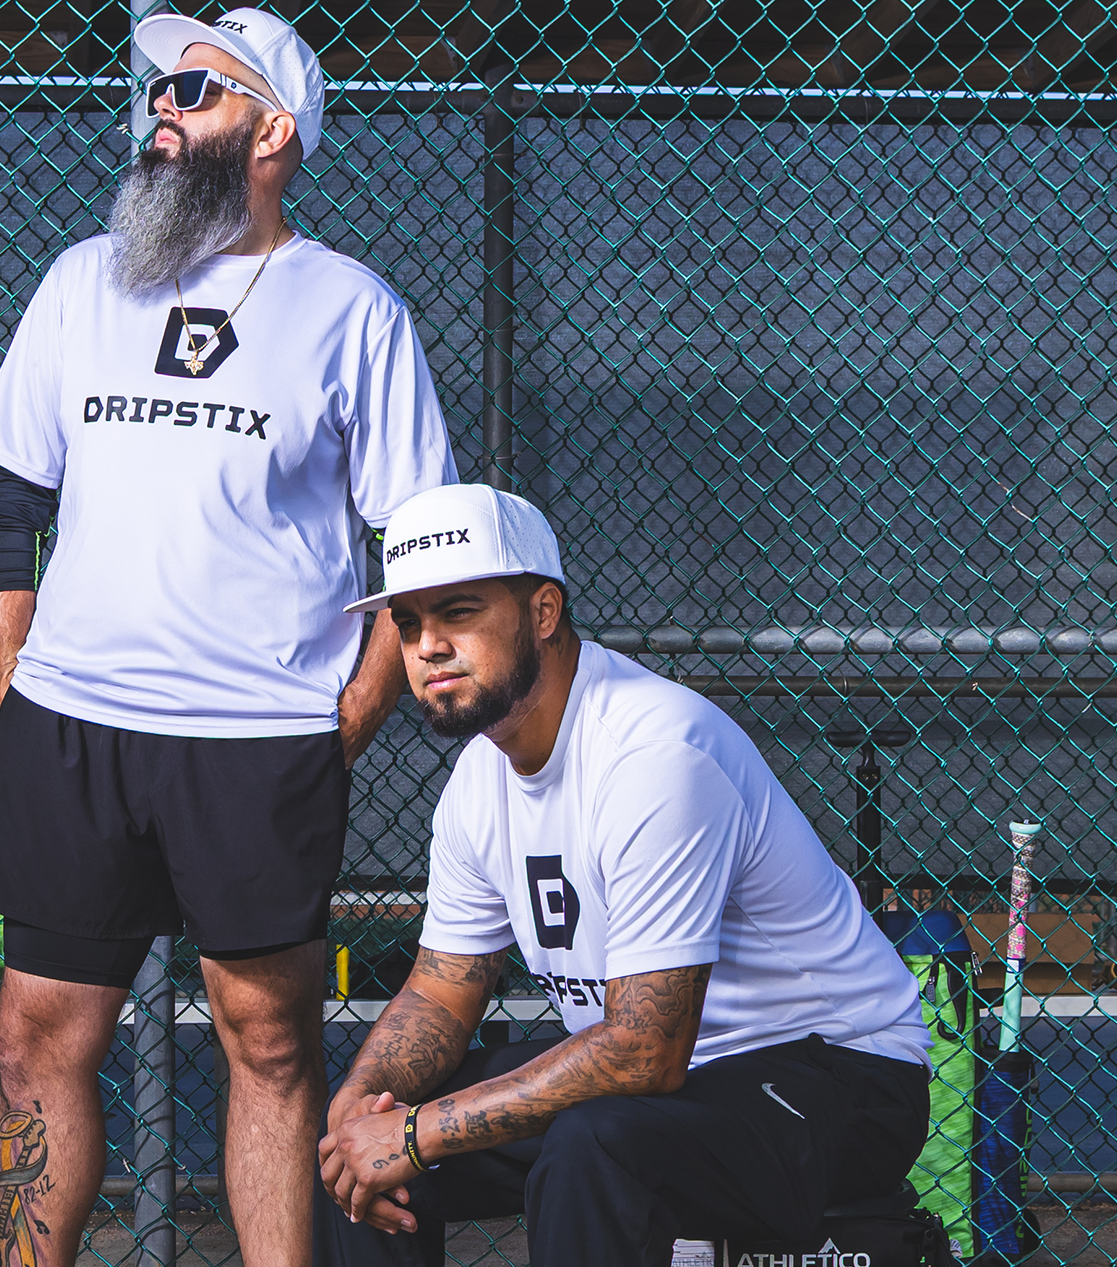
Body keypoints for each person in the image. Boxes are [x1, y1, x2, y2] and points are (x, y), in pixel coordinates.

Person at [0, 7, 457, 1267]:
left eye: (195, 87)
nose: (160, 109)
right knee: (36, 1041)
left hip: (255, 743)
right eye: (156, 90)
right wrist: (20, 691)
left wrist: (334, 728)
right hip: (73, 732)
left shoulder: (353, 311)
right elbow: (9, 502)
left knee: (270, 1046)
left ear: (274, 130)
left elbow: (421, 553)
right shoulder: (84, 277)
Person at [315, 483, 932, 1267]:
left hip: (838, 1076)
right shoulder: (479, 778)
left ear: (542, 612)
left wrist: (413, 1133)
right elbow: (440, 991)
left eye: (458, 611)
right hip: (667, 1085)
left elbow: (645, 1050)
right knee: (349, 1156)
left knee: (592, 1144)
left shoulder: (655, 752)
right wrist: (360, 1114)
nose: (426, 646)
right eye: (408, 624)